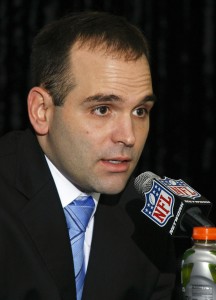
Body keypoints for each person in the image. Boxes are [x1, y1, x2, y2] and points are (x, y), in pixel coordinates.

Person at [0, 11, 176, 300]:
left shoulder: (148, 219)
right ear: (41, 111)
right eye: (103, 109)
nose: (128, 136)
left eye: (140, 111)